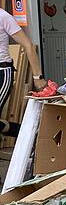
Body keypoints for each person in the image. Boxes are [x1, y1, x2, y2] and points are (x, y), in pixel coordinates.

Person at [0, 8, 46, 137]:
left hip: (2, 73)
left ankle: (33, 135)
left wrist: (37, 77)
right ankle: (29, 134)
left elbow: (28, 45)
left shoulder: (3, 17)